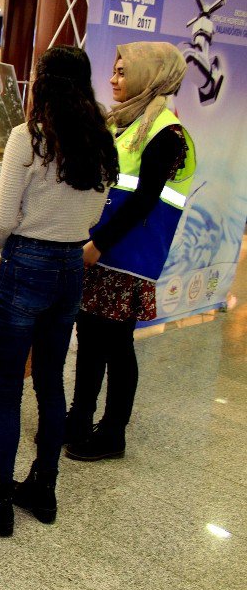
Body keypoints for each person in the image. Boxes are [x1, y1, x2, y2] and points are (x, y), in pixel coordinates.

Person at [0, 46, 119, 536]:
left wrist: (10, 242)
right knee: (49, 381)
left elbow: (0, 223)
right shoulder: (101, 143)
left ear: (42, 83)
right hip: (70, 267)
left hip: (27, 264)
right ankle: (44, 487)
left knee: (5, 387)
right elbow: (94, 216)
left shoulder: (30, 138)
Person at [65, 42, 195, 461]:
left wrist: (97, 245)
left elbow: (144, 201)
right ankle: (80, 417)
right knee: (89, 337)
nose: (113, 79)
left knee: (117, 345)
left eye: (122, 72)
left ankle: (112, 433)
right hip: (102, 253)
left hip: (125, 258)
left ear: (149, 75)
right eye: (114, 70)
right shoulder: (123, 123)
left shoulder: (167, 133)